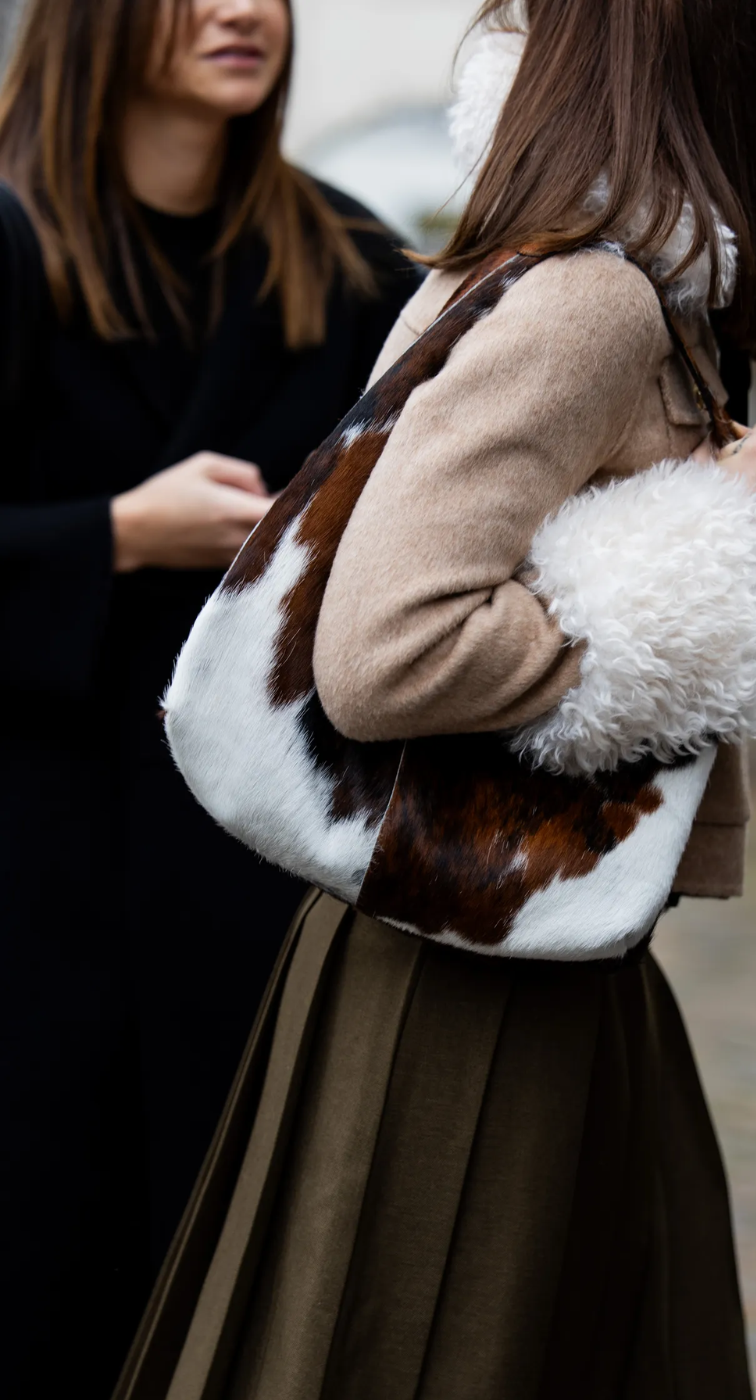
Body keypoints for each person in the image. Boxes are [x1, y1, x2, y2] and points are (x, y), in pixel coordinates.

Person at [116, 2, 756, 1398]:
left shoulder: (619, 282)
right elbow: (386, 646)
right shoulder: (589, 298)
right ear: (719, 36)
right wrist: (711, 559)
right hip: (459, 988)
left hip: (519, 953)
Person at [0, 2, 419, 1396]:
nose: (243, 9)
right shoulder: (9, 244)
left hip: (251, 874)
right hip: (35, 877)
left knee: (245, 1295)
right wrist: (116, 534)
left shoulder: (351, 265)